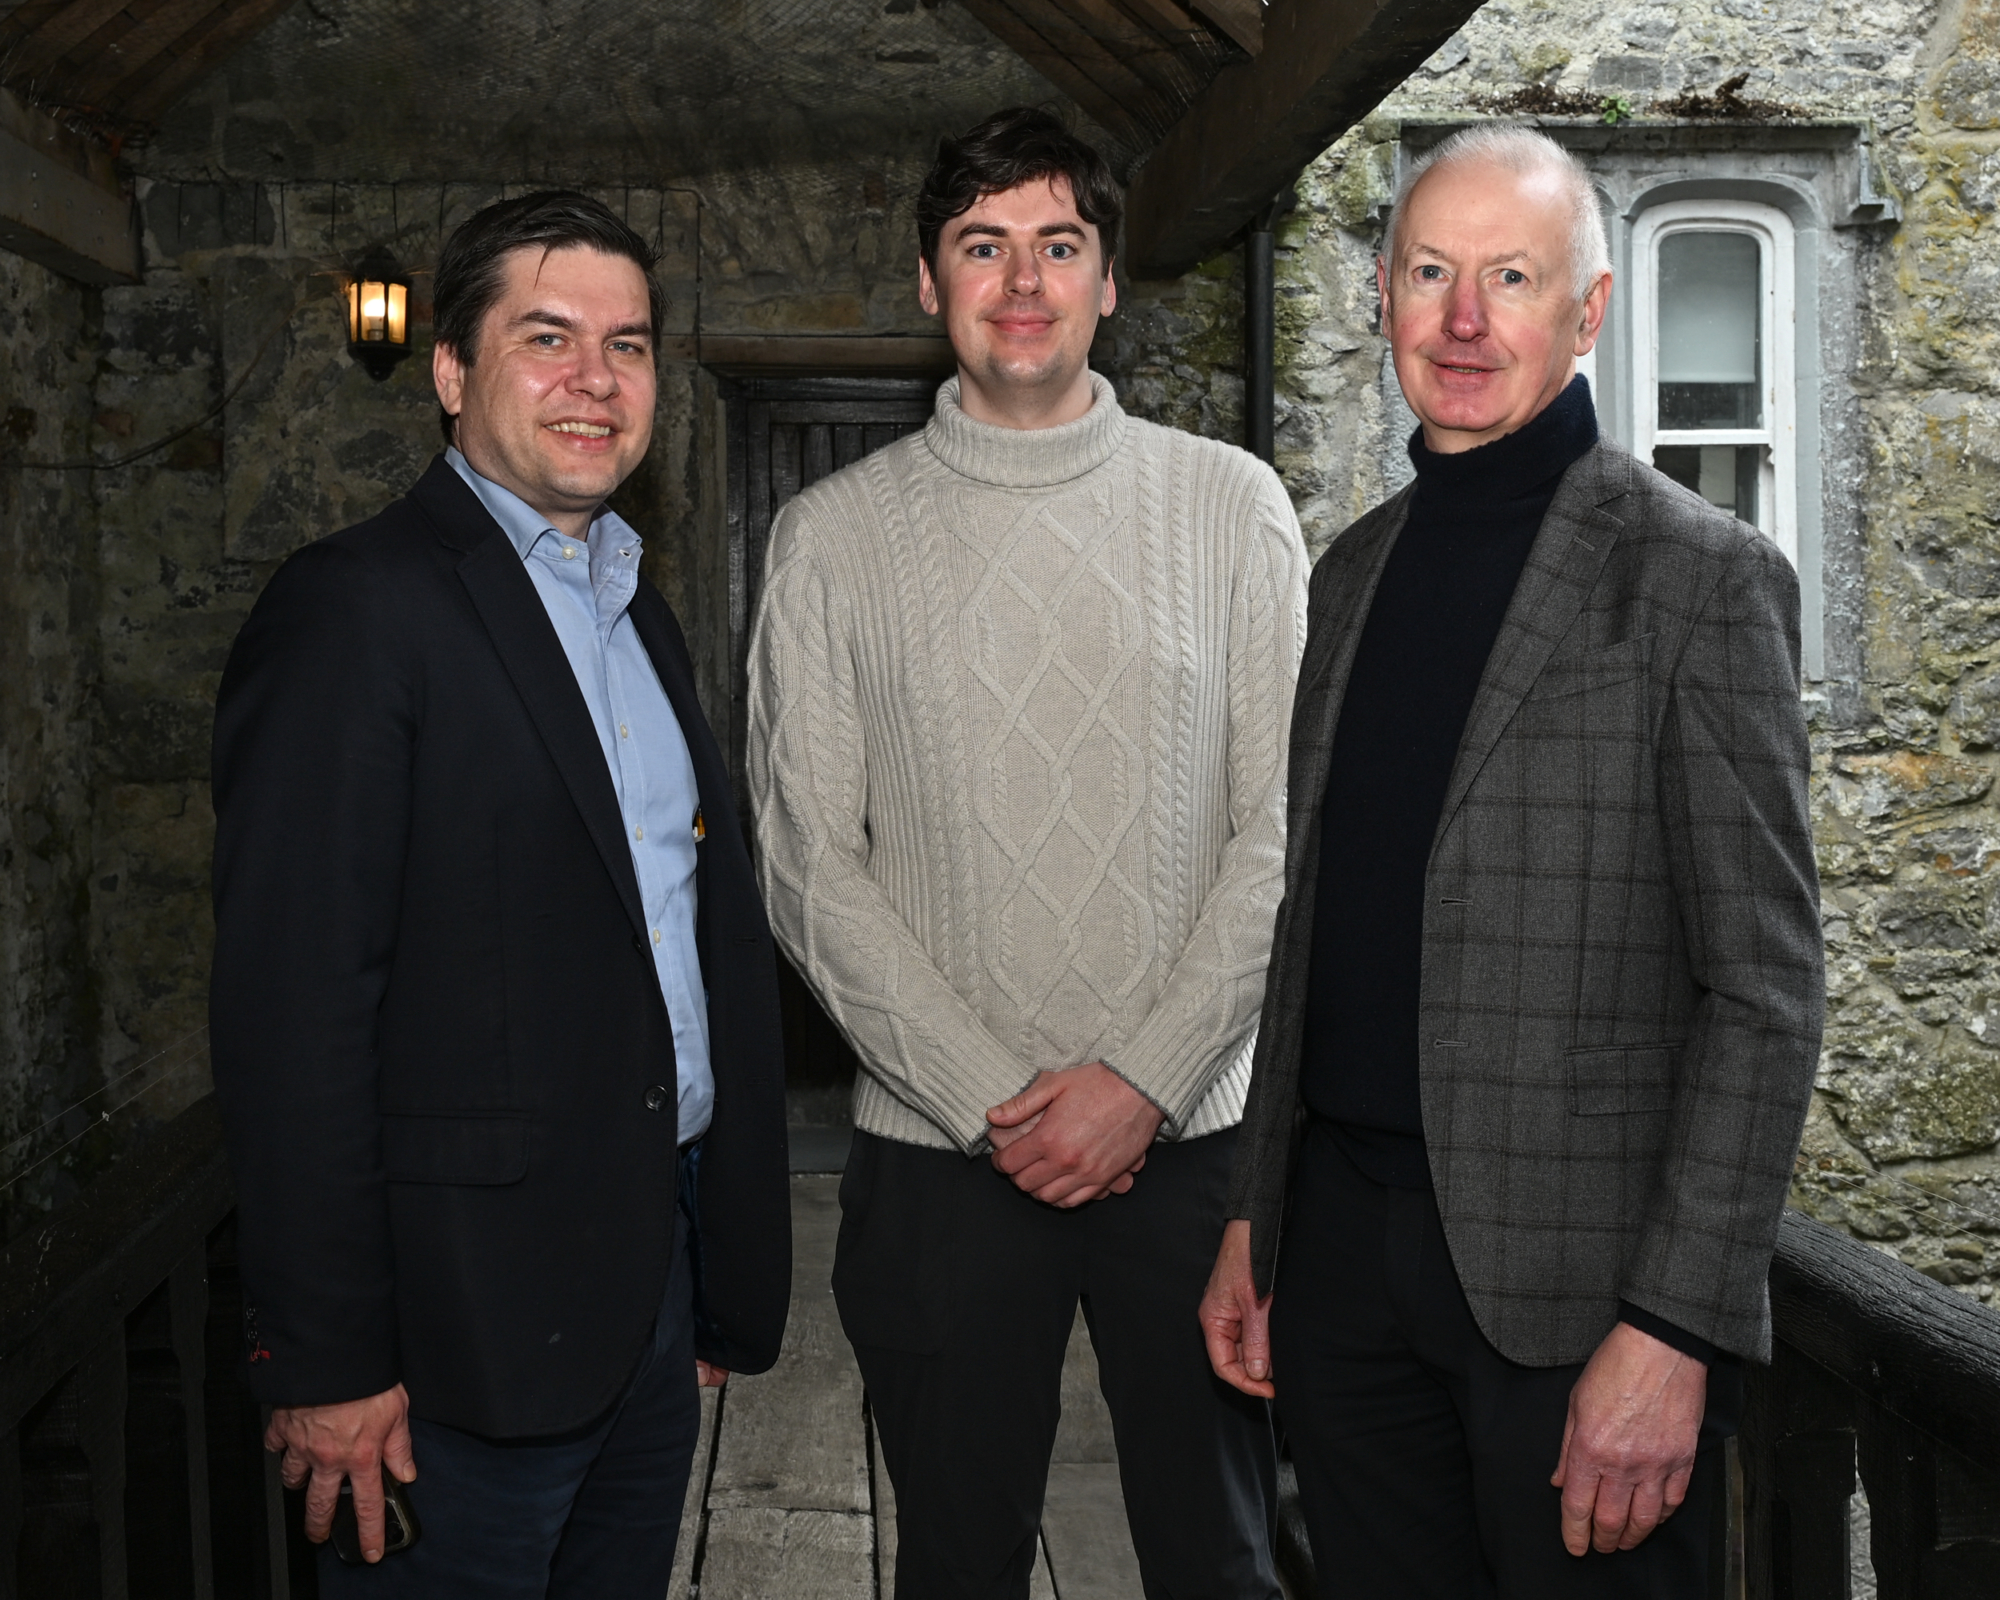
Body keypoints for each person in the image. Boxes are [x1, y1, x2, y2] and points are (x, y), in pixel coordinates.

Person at [1200, 125, 1822, 1596]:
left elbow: (1765, 994)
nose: (1464, 320)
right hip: (1343, 1271)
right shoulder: (1349, 572)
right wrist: (1256, 1218)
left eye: (1511, 278)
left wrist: (1673, 1331)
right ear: (1383, 296)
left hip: (1578, 1304)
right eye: (1431, 272)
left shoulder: (1700, 580)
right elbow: (1317, 930)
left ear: (1588, 311)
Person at [747, 107, 1306, 1599]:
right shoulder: (829, 538)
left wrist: (1140, 1082)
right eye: (981, 246)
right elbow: (809, 860)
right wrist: (1007, 1107)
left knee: (1224, 1563)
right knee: (955, 1563)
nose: (1022, 281)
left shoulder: (1231, 507)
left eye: (1059, 245)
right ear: (930, 283)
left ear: (1109, 281)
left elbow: (1285, 828)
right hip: (942, 1160)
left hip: (1192, 1153)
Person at [210, 190, 790, 1599]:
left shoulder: (631, 604)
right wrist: (331, 1358)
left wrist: (709, 1280)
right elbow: (296, 1012)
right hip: (449, 1344)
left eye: (631, 344)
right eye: (549, 338)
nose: (598, 378)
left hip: (641, 1292)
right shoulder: (356, 610)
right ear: (454, 373)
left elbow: (672, 930)